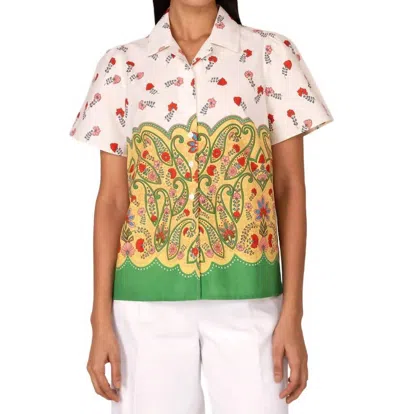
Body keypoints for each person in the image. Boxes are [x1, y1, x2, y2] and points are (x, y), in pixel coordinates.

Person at [70, 0, 333, 412]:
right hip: (144, 305)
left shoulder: (271, 54)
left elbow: (288, 188)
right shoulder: (121, 65)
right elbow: (112, 199)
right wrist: (99, 319)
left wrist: (293, 314)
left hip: (251, 300)